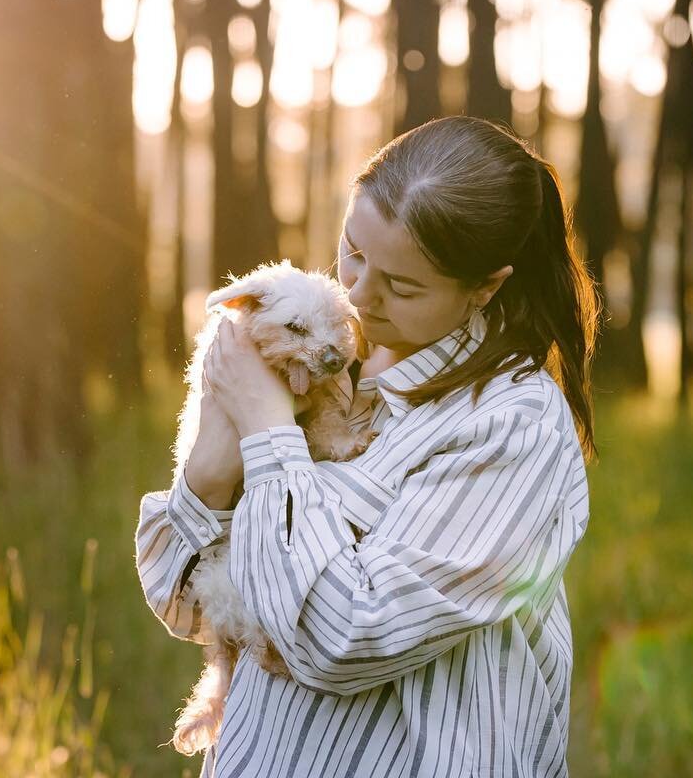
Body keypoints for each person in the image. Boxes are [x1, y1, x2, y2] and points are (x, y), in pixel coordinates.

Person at [135, 116, 598, 776]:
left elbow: (341, 637)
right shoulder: (327, 355)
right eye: (353, 250)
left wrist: (267, 432)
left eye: (401, 286)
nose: (357, 293)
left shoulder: (509, 426)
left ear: (486, 286)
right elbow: (184, 605)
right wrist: (211, 471)